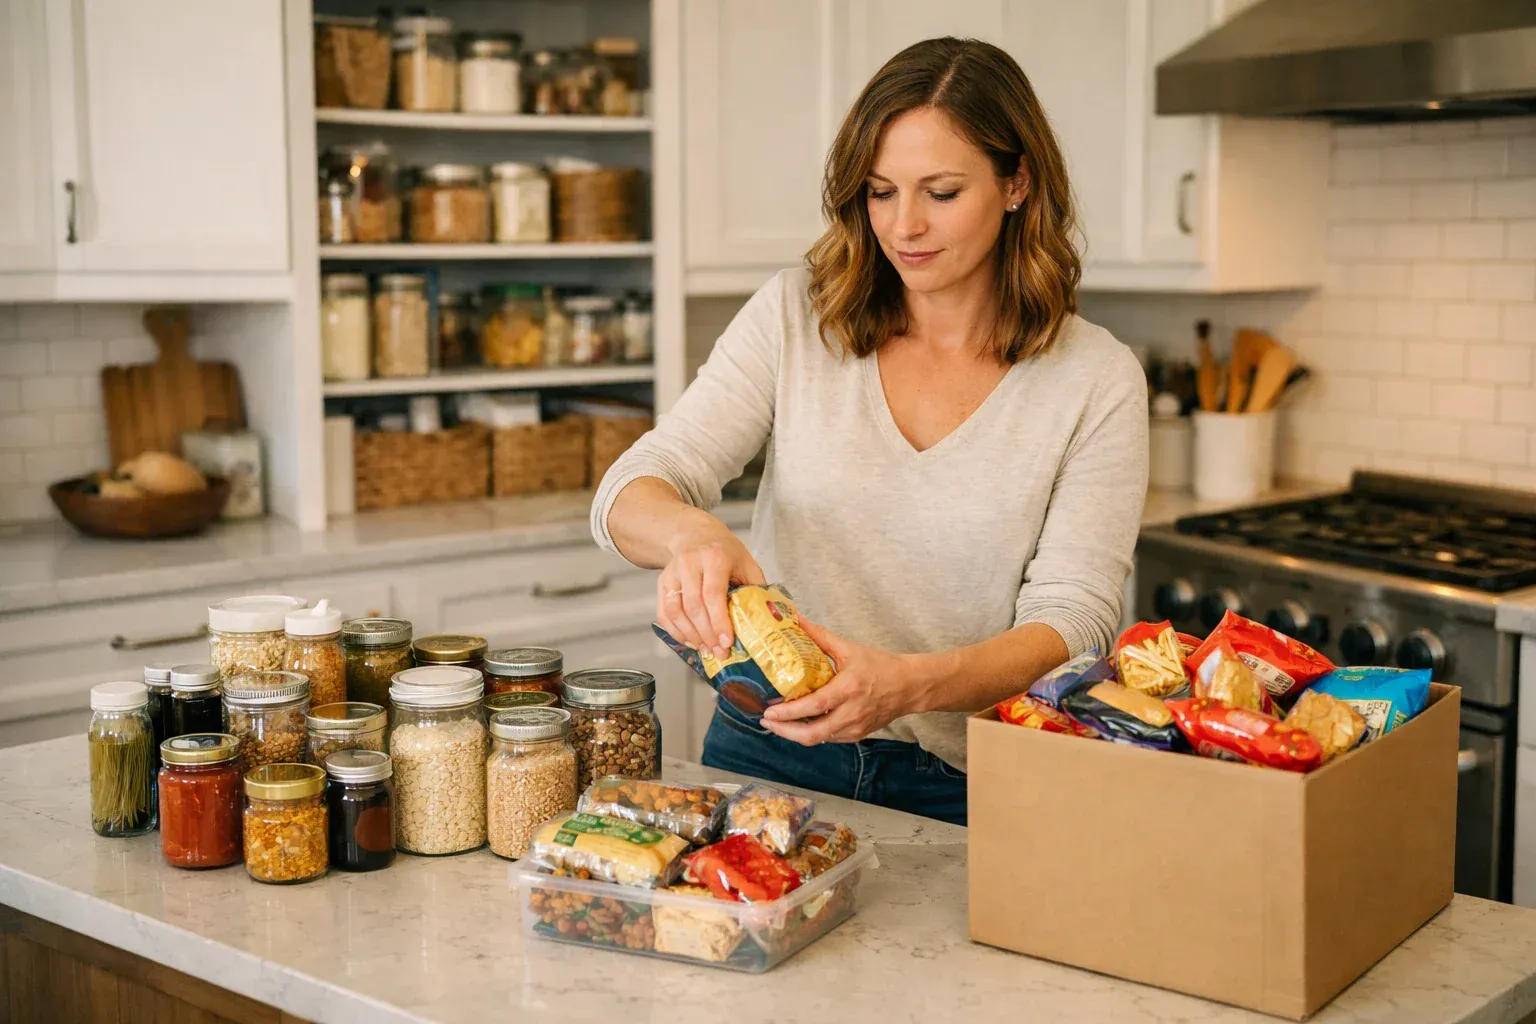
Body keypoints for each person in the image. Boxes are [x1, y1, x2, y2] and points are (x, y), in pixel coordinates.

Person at [589, 36, 1148, 826]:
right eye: (880, 191)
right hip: (767, 748)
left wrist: (910, 684)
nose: (905, 226)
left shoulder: (1096, 378)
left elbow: (1075, 617)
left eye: (942, 192)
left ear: (1017, 181)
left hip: (965, 780)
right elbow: (635, 485)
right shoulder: (796, 318)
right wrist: (691, 537)